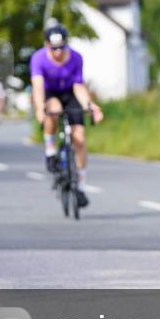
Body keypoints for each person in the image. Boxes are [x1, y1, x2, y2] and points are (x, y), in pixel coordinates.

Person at [30, 24, 104, 207]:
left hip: (70, 93)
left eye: (61, 47)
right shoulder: (38, 59)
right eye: (53, 48)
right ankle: (50, 150)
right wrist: (40, 109)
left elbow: (79, 86)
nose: (57, 52)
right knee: (53, 109)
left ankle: (81, 186)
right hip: (49, 94)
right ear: (47, 45)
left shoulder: (76, 58)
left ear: (66, 45)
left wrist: (90, 105)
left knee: (79, 137)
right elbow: (38, 87)